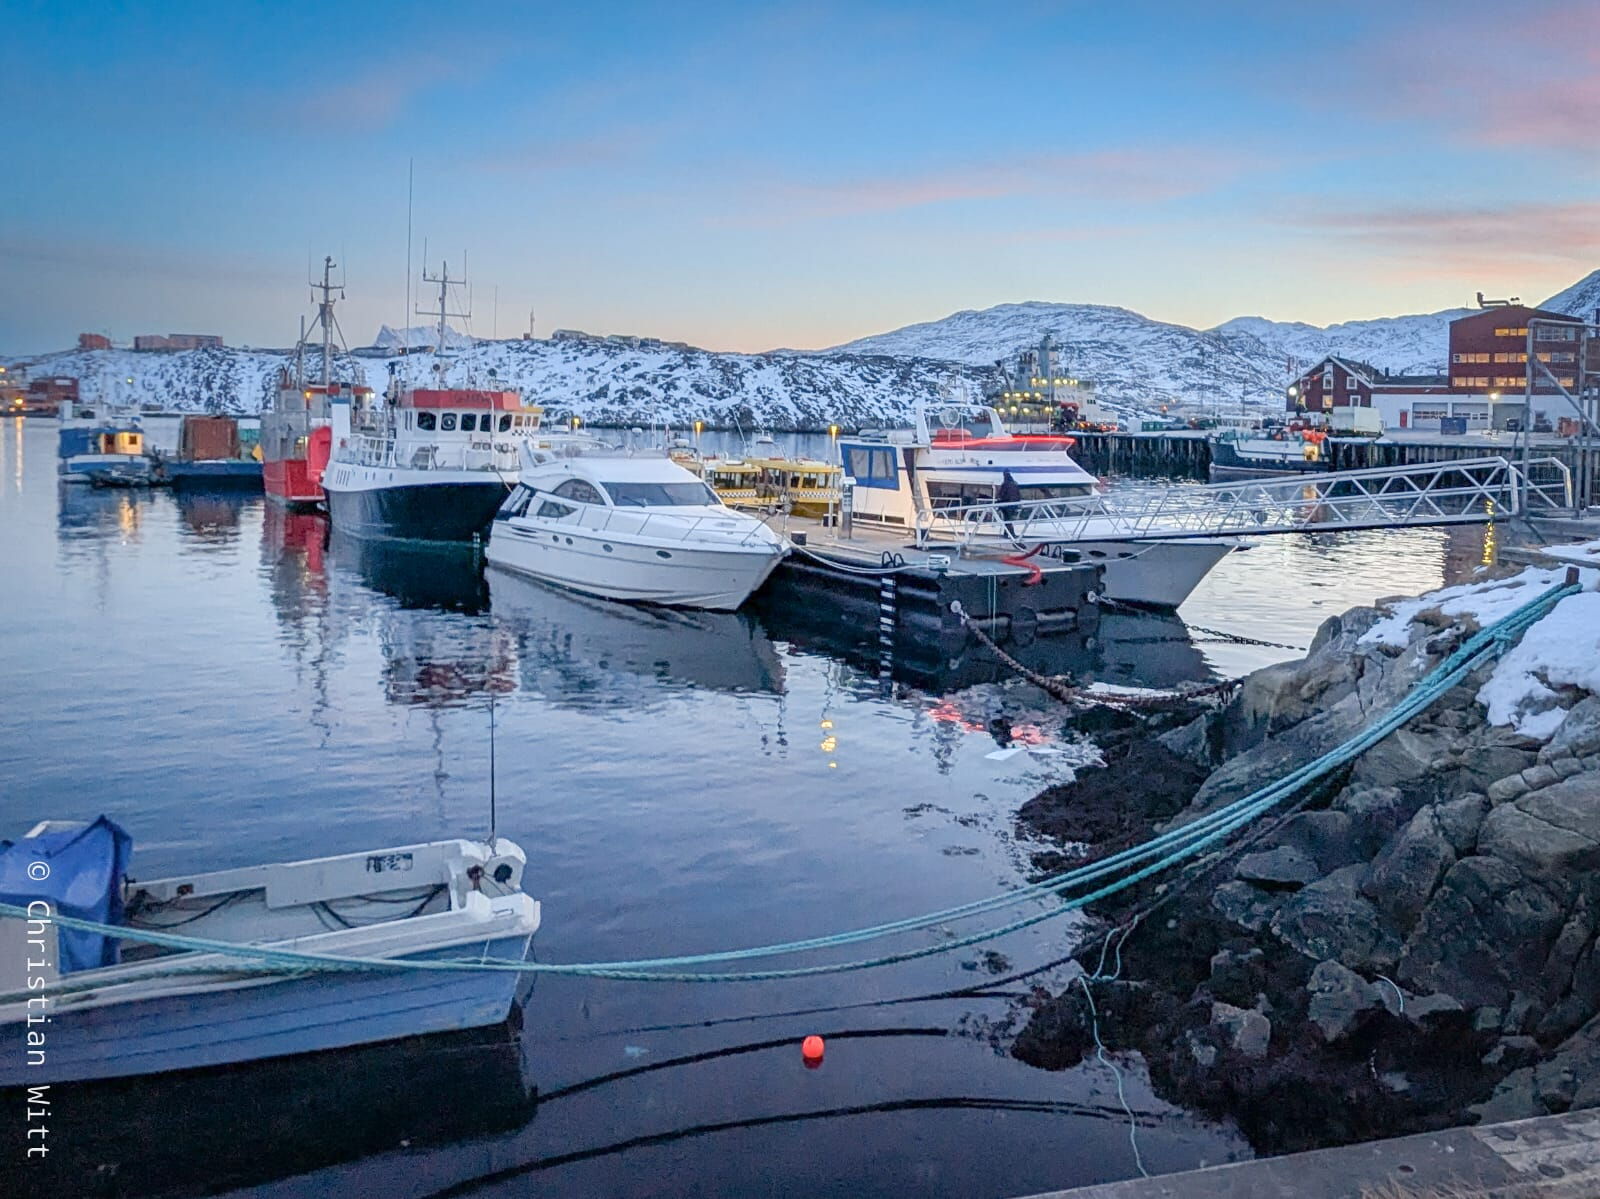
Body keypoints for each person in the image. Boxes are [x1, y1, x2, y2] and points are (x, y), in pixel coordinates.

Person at [997, 470, 1022, 537]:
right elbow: (1018, 495)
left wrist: (999, 501)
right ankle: (1006, 533)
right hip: (1014, 504)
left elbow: (1001, 495)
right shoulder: (1014, 483)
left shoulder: (1005, 484)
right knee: (1008, 519)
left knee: (1007, 519)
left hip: (1006, 505)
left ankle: (1011, 534)